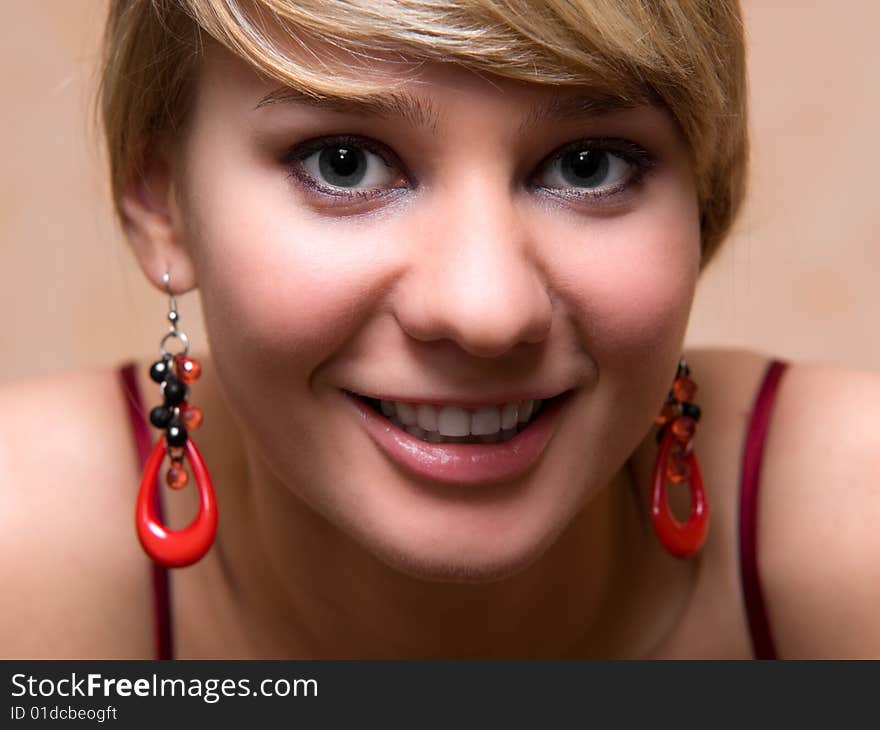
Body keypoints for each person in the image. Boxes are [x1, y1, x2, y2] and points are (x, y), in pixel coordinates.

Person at [2, 0, 879, 660]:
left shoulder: (849, 526)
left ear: (702, 195)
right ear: (163, 202)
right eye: (343, 163)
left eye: (588, 164)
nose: (486, 311)